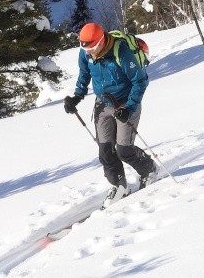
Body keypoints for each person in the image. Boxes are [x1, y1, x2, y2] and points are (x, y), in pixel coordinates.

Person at [63, 21, 158, 201]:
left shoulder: (121, 52)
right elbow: (84, 73)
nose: (89, 53)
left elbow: (140, 81)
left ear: (101, 42)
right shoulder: (86, 52)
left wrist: (129, 108)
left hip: (126, 102)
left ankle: (149, 169)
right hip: (103, 103)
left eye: (92, 48)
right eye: (85, 49)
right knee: (105, 151)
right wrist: (77, 96)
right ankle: (119, 185)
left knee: (124, 150)